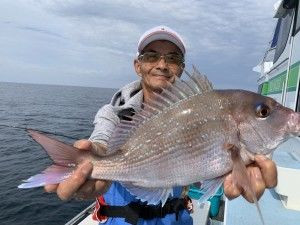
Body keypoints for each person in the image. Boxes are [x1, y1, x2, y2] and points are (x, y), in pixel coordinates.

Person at [44, 26, 277, 224]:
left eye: (173, 58)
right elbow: (101, 143)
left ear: (182, 68)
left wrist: (239, 165)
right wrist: (95, 158)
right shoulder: (114, 113)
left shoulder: (199, 111)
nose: (162, 64)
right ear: (138, 65)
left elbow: (205, 164)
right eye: (151, 56)